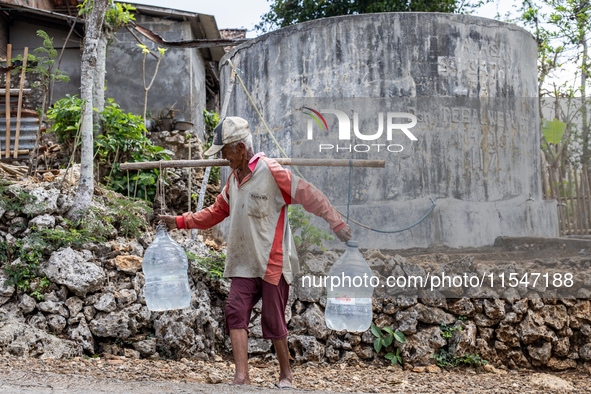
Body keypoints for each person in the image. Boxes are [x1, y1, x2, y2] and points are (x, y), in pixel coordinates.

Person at [159, 116, 351, 388]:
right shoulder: (233, 182)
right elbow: (214, 213)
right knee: (234, 312)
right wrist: (179, 221)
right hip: (243, 264)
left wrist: (336, 221)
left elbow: (309, 194)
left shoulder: (272, 172)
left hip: (272, 263)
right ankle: (241, 377)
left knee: (273, 320)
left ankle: (286, 375)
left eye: (225, 152)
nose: (223, 159)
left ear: (239, 149)